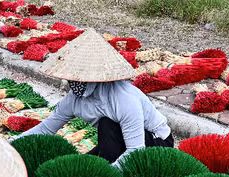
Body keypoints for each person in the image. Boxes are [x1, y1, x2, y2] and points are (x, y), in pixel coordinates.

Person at [19, 28, 173, 166]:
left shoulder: (124, 99)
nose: (75, 82)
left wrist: (105, 175)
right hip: (116, 138)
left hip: (156, 142)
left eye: (82, 77)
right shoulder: (74, 99)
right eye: (73, 77)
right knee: (81, 165)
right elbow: (46, 129)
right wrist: (10, 144)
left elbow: (135, 151)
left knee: (106, 127)